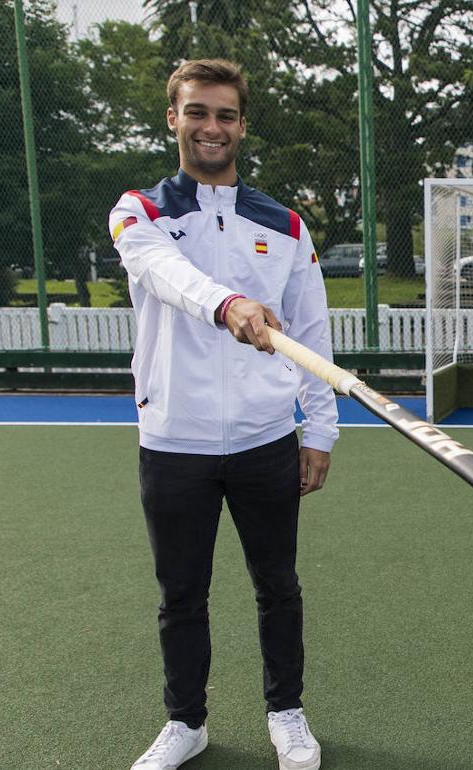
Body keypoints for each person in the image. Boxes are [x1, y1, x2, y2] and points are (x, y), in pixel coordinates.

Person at [109, 59, 336, 770]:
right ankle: (187, 722)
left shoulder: (287, 225)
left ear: (242, 124)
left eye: (226, 115)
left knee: (279, 585)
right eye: (198, 112)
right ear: (173, 118)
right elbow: (169, 278)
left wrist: (319, 428)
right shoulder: (138, 213)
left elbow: (312, 332)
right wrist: (228, 304)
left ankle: (287, 714)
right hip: (174, 439)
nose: (212, 127)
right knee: (182, 594)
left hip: (268, 437)